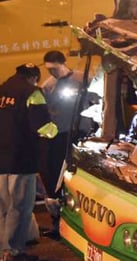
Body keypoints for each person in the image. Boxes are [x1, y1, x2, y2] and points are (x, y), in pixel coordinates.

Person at [0, 64, 57, 261]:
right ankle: (13, 252)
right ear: (33, 77)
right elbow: (41, 126)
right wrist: (55, 131)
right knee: (20, 206)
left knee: (4, 209)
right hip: (21, 160)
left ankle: (3, 250)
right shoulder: (32, 92)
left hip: (1, 161)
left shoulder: (1, 90)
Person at [38, 51, 96, 198]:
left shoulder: (83, 79)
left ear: (63, 64)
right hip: (61, 135)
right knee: (60, 169)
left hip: (81, 132)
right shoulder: (48, 86)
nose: (52, 72)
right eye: (49, 70)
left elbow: (97, 99)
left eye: (54, 69)